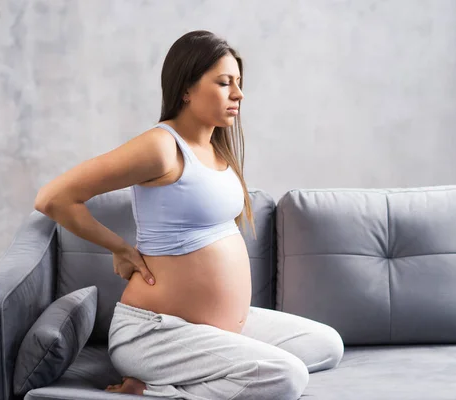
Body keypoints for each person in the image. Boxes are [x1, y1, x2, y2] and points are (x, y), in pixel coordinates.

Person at [34, 30, 343, 400]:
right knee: (287, 376)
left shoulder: (215, 148)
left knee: (326, 345)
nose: (238, 95)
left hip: (215, 330)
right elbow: (54, 198)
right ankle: (154, 389)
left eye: (239, 84)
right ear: (186, 89)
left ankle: (174, 381)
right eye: (224, 83)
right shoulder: (161, 147)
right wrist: (119, 247)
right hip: (156, 334)